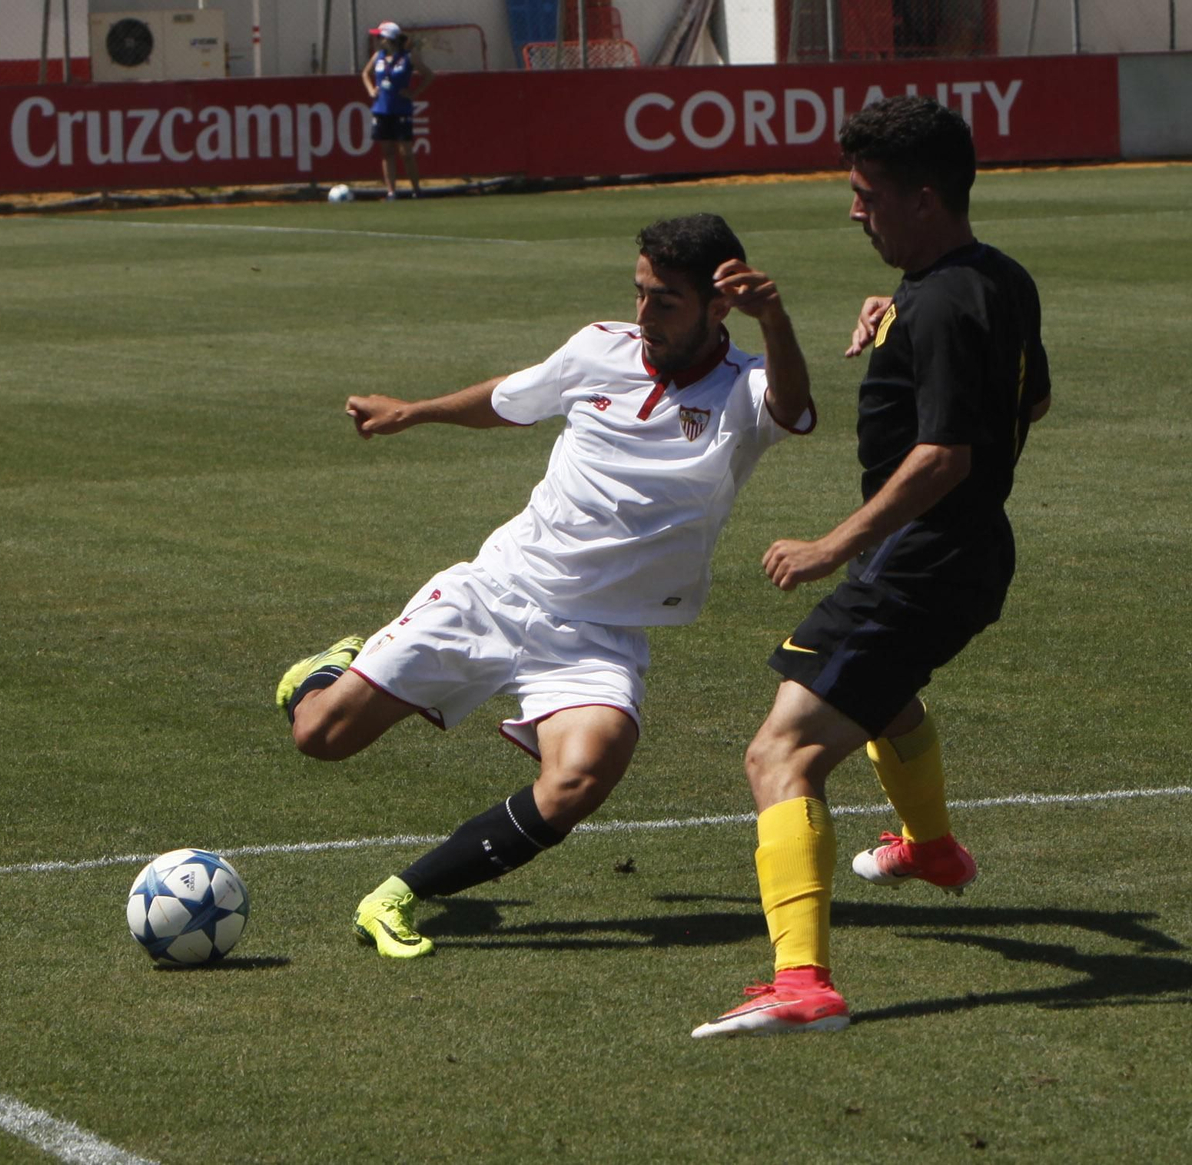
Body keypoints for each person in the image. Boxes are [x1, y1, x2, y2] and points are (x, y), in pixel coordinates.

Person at [274, 214, 816, 958]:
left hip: (596, 636)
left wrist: (778, 319)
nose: (644, 316)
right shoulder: (599, 349)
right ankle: (328, 670)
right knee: (320, 736)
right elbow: (512, 399)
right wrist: (414, 411)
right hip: (497, 592)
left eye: (666, 301)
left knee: (583, 772)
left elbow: (795, 411)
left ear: (720, 306)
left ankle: (397, 895)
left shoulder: (746, 387)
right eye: (640, 294)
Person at [691, 96, 1051, 1038]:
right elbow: (1031, 397)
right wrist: (905, 327)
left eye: (867, 195)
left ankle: (801, 982)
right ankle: (931, 849)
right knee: (884, 696)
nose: (855, 211)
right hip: (969, 554)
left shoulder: (938, 303)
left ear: (923, 198)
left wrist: (830, 546)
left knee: (781, 753)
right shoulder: (996, 280)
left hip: (921, 558)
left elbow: (946, 457)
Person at [361, 20, 434, 200]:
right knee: (387, 152)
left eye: (380, 37)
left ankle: (416, 190)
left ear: (389, 38)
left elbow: (428, 75)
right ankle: (391, 191)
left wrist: (414, 92)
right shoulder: (378, 56)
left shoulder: (408, 57)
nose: (378, 40)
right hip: (382, 109)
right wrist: (371, 90)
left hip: (401, 109)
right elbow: (365, 74)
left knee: (406, 153)